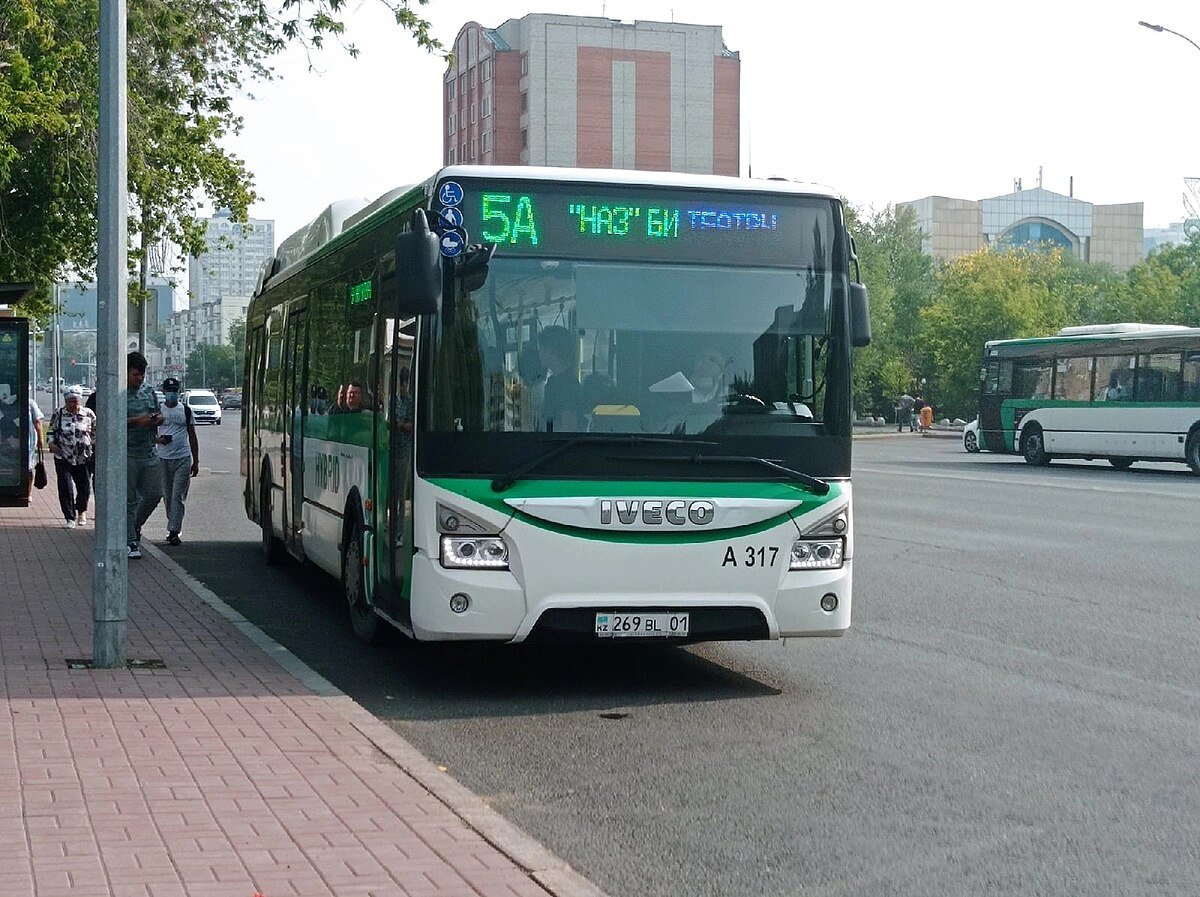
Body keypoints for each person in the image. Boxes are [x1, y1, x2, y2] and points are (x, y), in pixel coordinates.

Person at [126, 351, 164, 559]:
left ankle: (134, 526)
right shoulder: (118, 392)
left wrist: (157, 419)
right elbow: (111, 421)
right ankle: (131, 541)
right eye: (135, 374)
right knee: (130, 500)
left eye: (142, 374)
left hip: (149, 451)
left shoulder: (149, 391)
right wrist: (135, 421)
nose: (139, 378)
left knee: (154, 494)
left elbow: (157, 412)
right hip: (128, 453)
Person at [155, 377, 199, 546]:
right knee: (167, 495)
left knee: (178, 496)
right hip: (163, 459)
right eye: (169, 391)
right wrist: (160, 440)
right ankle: (173, 524)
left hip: (182, 458)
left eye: (175, 391)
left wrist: (196, 461)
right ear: (164, 392)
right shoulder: (158, 411)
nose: (172, 394)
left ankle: (174, 530)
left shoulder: (186, 411)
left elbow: (192, 436)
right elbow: (149, 435)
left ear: (179, 392)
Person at [47, 385, 96, 527]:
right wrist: (51, 444)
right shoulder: (59, 414)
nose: (73, 404)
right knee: (65, 487)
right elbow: (51, 431)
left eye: (76, 401)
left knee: (84, 487)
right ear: (65, 401)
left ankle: (81, 511)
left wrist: (93, 443)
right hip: (63, 456)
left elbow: (96, 432)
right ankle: (69, 517)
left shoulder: (88, 414)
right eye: (70, 401)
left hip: (83, 457)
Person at [536, 325, 582, 432]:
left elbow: (569, 427)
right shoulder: (553, 381)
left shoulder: (568, 385)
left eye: (542, 349)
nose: (539, 353)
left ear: (551, 351)